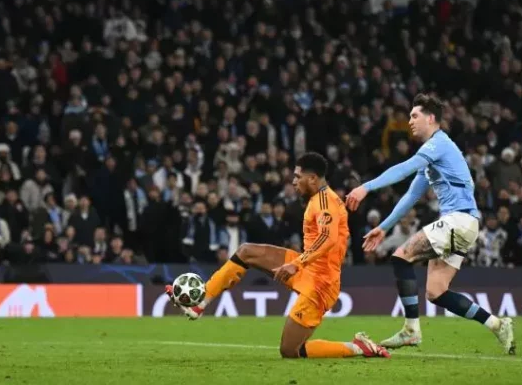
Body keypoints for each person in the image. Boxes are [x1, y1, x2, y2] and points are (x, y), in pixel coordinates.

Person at [166, 152, 390, 359]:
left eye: (297, 177)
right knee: (246, 252)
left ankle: (356, 347)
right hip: (307, 267)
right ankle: (201, 301)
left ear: (312, 179)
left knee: (290, 350)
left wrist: (296, 263)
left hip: (321, 283)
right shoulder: (317, 199)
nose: (293, 182)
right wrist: (299, 263)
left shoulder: (326, 202)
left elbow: (328, 238)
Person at [345, 93, 515, 354]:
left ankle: (411, 330)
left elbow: (404, 168)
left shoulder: (438, 144)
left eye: (415, 116)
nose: (410, 121)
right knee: (436, 292)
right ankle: (497, 324)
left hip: (457, 220)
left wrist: (365, 187)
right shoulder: (433, 157)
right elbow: (411, 196)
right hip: (465, 224)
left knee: (401, 258)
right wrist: (385, 227)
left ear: (431, 118)